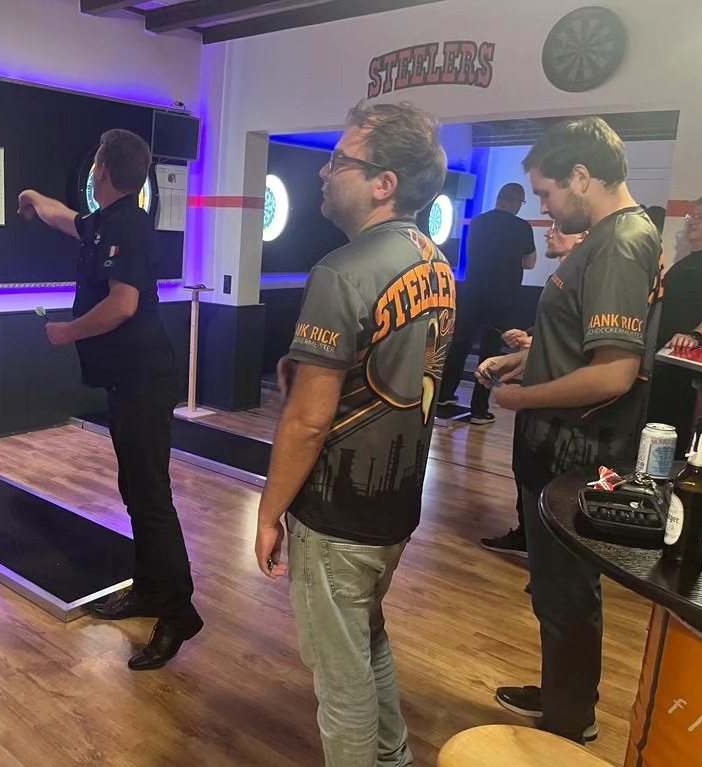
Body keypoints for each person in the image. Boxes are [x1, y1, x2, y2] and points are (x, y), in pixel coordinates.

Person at [255, 100, 450, 767]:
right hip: (394, 508)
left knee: (340, 681)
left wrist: (269, 512)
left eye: (340, 159)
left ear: (383, 183)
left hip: (338, 515)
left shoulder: (342, 270)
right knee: (366, 638)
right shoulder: (434, 261)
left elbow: (309, 420)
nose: (324, 170)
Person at [478, 117, 662, 743]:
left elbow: (613, 373)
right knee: (556, 590)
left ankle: (568, 724)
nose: (545, 208)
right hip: (556, 448)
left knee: (567, 592)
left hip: (575, 454)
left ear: (582, 176)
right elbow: (581, 345)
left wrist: (521, 396)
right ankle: (563, 694)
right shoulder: (606, 238)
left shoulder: (620, 242)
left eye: (548, 193)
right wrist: (526, 360)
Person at [16, 129, 202, 671]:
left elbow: (123, 305)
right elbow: (66, 218)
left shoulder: (130, 227)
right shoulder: (105, 222)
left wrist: (67, 332)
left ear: (102, 170)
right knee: (135, 491)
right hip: (126, 381)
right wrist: (33, 197)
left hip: (145, 380)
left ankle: (178, 612)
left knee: (151, 497)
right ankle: (149, 587)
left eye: (96, 163)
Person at [480, 222, 586, 557]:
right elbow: (555, 331)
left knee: (549, 478)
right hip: (539, 397)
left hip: (559, 404)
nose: (549, 231)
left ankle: (548, 552)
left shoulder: (588, 279)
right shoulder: (561, 275)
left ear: (583, 236)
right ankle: (527, 536)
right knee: (526, 469)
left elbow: (579, 346)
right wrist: (529, 339)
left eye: (560, 228)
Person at [437, 183, 537, 424]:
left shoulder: (478, 222)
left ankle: (444, 395)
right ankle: (479, 410)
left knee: (460, 343)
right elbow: (530, 263)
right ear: (515, 201)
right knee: (490, 350)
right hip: (503, 296)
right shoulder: (522, 227)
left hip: (472, 292)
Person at [646, 194, 702, 457]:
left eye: (700, 217)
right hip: (662, 360)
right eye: (691, 215)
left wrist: (695, 335)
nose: (691, 221)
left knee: (674, 437)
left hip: (687, 370)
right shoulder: (685, 262)